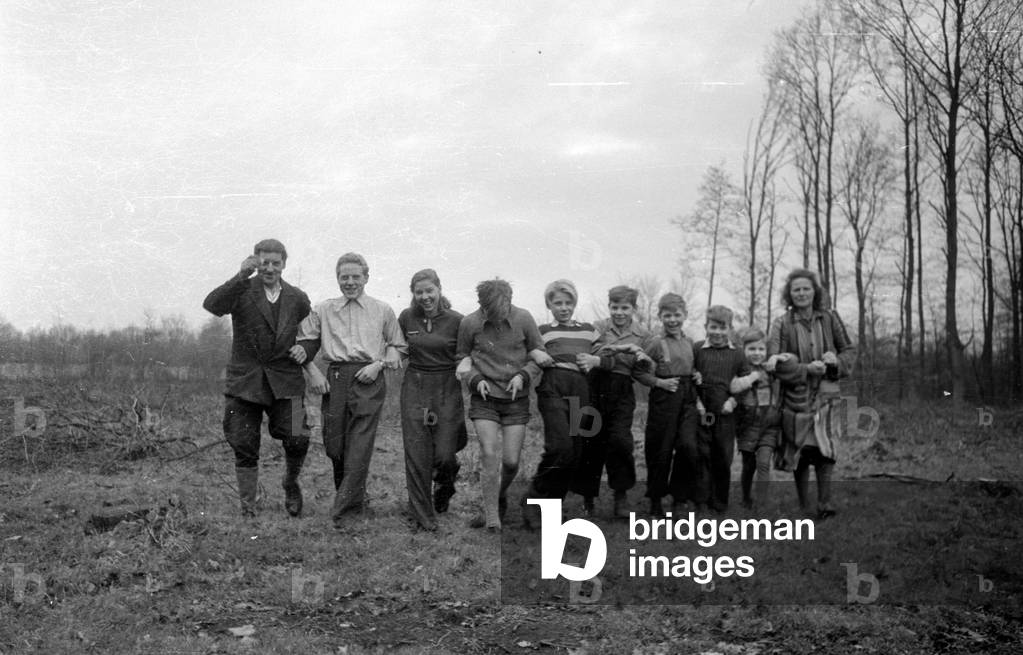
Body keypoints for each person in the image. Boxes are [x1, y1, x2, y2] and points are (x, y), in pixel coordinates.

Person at [202, 238, 313, 517]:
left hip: (287, 379)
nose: (270, 268)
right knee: (244, 443)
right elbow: (211, 305)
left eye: (276, 263)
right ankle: (248, 508)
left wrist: (307, 349)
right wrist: (240, 275)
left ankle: (290, 482)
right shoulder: (241, 289)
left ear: (284, 265)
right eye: (264, 262)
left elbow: (311, 334)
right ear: (255, 261)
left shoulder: (298, 298)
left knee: (298, 435)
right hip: (245, 382)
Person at [295, 252, 406, 529]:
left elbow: (399, 345)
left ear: (366, 277)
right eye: (344, 277)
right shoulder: (323, 309)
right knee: (335, 447)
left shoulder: (382, 309)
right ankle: (353, 499)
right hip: (334, 378)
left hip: (368, 377)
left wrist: (379, 364)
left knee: (359, 445)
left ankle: (345, 512)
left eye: (356, 276)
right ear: (337, 279)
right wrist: (313, 371)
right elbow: (303, 343)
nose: (350, 282)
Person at [455, 279, 551, 531]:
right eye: (490, 313)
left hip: (515, 401)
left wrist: (523, 376)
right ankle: (492, 517)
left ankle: (498, 495)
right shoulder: (469, 323)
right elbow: (462, 356)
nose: (496, 319)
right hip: (484, 399)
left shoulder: (524, 318)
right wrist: (474, 379)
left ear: (509, 301)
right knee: (488, 453)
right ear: (481, 306)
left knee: (510, 462)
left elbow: (538, 353)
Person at [766, 268, 855, 520]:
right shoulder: (781, 324)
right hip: (794, 396)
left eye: (806, 288)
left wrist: (834, 360)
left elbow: (849, 350)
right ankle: (805, 507)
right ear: (789, 294)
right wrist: (806, 369)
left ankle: (825, 504)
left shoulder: (829, 318)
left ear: (815, 291)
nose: (802, 293)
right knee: (800, 451)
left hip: (827, 394)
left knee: (825, 450)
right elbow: (774, 364)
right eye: (796, 290)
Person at [521, 280, 600, 528]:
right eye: (558, 303)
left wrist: (595, 359)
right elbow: (527, 350)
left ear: (575, 304)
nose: (564, 308)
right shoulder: (543, 329)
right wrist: (536, 354)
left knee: (574, 453)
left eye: (568, 303)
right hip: (553, 386)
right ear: (549, 305)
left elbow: (605, 352)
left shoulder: (589, 329)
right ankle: (533, 501)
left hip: (581, 389)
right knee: (559, 447)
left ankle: (552, 508)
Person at [572, 285, 653, 519]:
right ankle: (587, 500)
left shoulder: (643, 335)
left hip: (622, 390)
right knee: (591, 441)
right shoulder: (597, 327)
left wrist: (644, 359)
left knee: (620, 441)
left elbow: (641, 368)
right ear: (609, 307)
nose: (619, 312)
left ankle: (621, 497)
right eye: (614, 307)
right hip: (595, 386)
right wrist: (622, 349)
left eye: (625, 308)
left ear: (634, 308)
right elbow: (598, 353)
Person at [397, 269, 468, 531]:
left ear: (439, 289)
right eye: (419, 292)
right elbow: (399, 347)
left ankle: (445, 482)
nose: (425, 297)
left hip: (446, 386)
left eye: (430, 291)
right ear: (413, 294)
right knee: (417, 451)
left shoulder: (457, 321)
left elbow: (466, 353)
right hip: (415, 385)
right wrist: (390, 357)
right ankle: (422, 514)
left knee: (445, 455)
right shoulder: (407, 317)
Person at [636, 293, 701, 517]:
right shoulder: (655, 342)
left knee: (688, 447)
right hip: (664, 398)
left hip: (688, 398)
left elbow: (691, 367)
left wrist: (697, 375)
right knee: (660, 450)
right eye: (667, 315)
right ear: (660, 316)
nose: (673, 320)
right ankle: (655, 498)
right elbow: (639, 372)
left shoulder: (690, 342)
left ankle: (680, 497)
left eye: (677, 315)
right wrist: (659, 382)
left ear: (685, 315)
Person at [693, 305, 751, 513]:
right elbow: (690, 377)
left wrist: (733, 402)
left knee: (723, 457)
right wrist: (697, 403)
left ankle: (719, 503)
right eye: (713, 327)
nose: (717, 332)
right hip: (702, 409)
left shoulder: (738, 354)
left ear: (730, 328)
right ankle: (701, 500)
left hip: (726, 411)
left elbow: (746, 383)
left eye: (722, 327)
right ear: (706, 327)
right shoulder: (698, 349)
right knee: (702, 455)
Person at [731, 327, 787, 511]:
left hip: (769, 425)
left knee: (764, 463)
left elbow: (792, 363)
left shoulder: (771, 369)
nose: (757, 353)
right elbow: (733, 389)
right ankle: (746, 498)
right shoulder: (741, 370)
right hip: (747, 425)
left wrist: (777, 358)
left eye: (761, 349)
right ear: (744, 350)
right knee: (749, 465)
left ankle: (761, 504)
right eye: (752, 349)